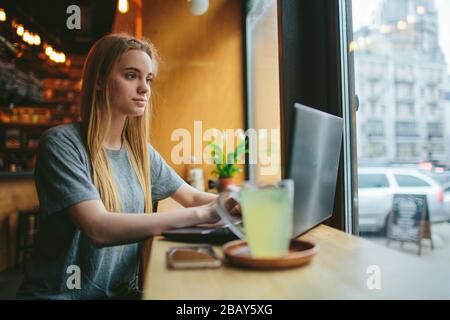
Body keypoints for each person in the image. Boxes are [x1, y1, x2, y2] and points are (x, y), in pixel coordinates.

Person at [16, 33, 232, 300]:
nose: (144, 88)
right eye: (131, 76)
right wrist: (205, 214)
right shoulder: (61, 144)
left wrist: (240, 203)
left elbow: (191, 196)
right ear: (98, 81)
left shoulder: (139, 151)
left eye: (148, 78)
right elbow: (99, 228)